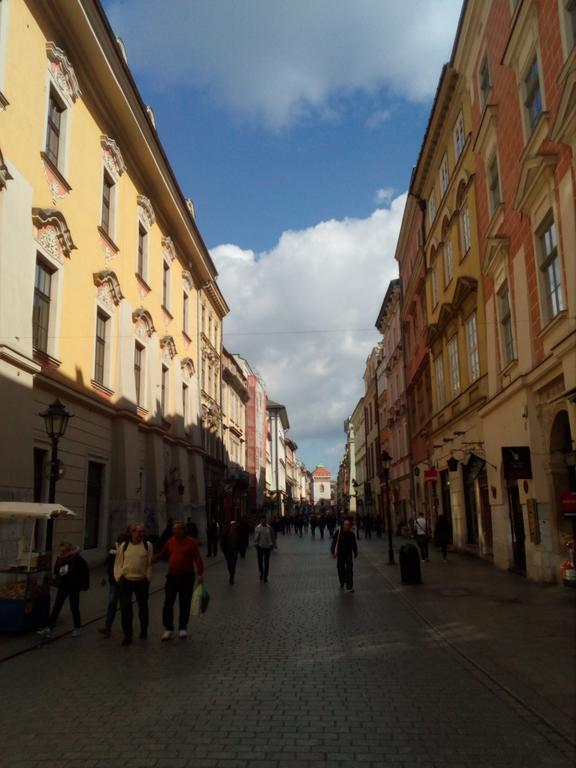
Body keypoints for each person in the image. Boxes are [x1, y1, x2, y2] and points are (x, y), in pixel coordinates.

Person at [154, 520, 204, 640]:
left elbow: (197, 558)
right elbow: (162, 554)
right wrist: (151, 559)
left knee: (184, 602)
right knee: (168, 602)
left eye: (178, 529)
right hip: (172, 577)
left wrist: (200, 574)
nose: (175, 531)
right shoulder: (170, 541)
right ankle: (168, 628)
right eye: (174, 529)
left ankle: (183, 627)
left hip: (187, 577)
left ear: (183, 530)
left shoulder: (191, 542)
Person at [37, 541, 89, 638]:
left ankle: (77, 627)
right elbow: (57, 570)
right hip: (63, 585)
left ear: (68, 550)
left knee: (74, 607)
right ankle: (49, 627)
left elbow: (84, 572)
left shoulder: (77, 559)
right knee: (57, 606)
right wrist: (57, 575)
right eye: (60, 551)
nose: (61, 553)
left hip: (73, 587)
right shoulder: (61, 559)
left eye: (63, 551)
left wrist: (78, 583)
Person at [114, 523, 153, 646]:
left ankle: (144, 629)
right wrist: (118, 576)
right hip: (126, 581)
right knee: (125, 609)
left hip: (141, 581)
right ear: (132, 532)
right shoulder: (124, 546)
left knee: (143, 608)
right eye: (138, 532)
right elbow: (118, 562)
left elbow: (150, 563)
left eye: (143, 532)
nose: (141, 534)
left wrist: (147, 577)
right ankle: (127, 635)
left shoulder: (147, 545)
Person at [98, 532, 128, 638]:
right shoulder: (114, 550)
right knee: (112, 605)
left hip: (123, 583)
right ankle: (108, 627)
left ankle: (126, 630)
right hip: (114, 582)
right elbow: (109, 564)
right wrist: (106, 577)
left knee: (123, 607)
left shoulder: (128, 550)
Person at [330, 519, 358, 592]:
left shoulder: (351, 534)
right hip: (340, 554)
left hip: (348, 554)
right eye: (345, 525)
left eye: (348, 525)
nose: (346, 527)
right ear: (343, 525)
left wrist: (355, 552)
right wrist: (333, 551)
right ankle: (342, 581)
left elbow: (354, 544)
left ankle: (349, 586)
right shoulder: (338, 533)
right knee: (340, 569)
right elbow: (334, 542)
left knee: (349, 570)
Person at [254, 516, 275, 582]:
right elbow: (256, 537)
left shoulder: (269, 528)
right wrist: (256, 544)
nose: (263, 521)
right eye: (262, 520)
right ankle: (261, 572)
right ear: (260, 521)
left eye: (264, 520)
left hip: (267, 547)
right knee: (260, 562)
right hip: (260, 547)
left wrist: (273, 544)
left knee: (266, 562)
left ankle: (265, 576)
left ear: (266, 520)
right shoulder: (258, 528)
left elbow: (272, 536)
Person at [220, 520, 240, 584]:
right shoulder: (226, 534)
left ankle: (231, 577)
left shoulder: (237, 534)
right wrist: (224, 551)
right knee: (229, 565)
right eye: (232, 525)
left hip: (234, 551)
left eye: (234, 525)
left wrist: (238, 550)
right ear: (230, 526)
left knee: (233, 565)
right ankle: (231, 574)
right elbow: (222, 543)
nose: (233, 526)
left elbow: (240, 542)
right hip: (227, 552)